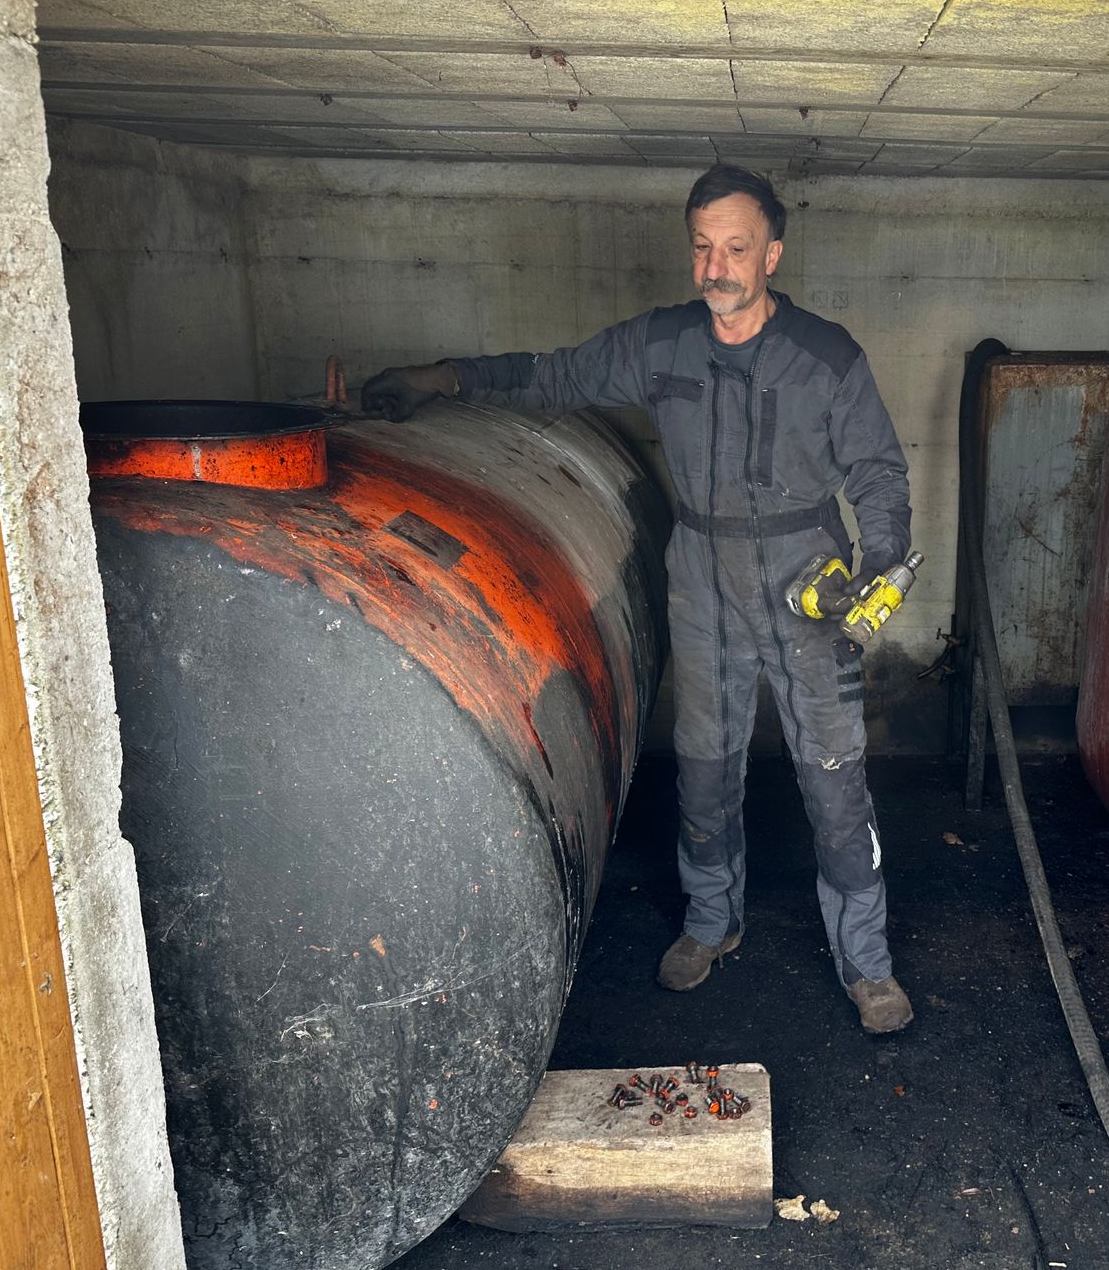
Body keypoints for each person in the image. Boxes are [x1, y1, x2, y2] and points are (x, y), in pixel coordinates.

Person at [362, 165, 914, 1034]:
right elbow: (556, 376)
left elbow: (879, 472)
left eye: (735, 248)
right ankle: (710, 922)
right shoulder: (664, 345)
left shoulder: (827, 358)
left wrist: (880, 564)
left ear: (771, 253)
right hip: (701, 570)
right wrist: (446, 378)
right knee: (703, 763)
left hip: (810, 580)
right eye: (702, 247)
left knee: (835, 777)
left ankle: (868, 964)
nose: (715, 267)